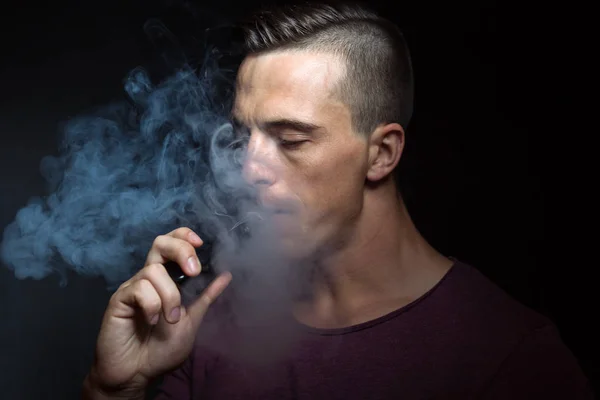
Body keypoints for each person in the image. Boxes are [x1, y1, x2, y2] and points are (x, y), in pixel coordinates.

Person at [82, 2, 594, 399]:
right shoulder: (209, 325)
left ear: (382, 153)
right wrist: (116, 389)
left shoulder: (510, 356)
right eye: (245, 136)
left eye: (291, 139)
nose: (248, 169)